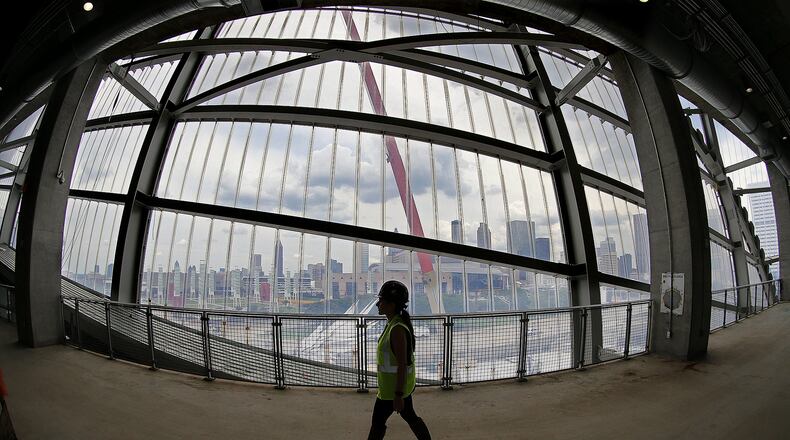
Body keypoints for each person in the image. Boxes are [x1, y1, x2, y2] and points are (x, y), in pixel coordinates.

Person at [368, 280, 432, 440]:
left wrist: (397, 395)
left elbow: (402, 364)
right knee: (410, 417)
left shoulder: (397, 329)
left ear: (391, 304)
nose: (378, 304)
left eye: (381, 300)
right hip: (395, 389)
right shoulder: (393, 324)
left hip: (392, 391)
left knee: (377, 424)